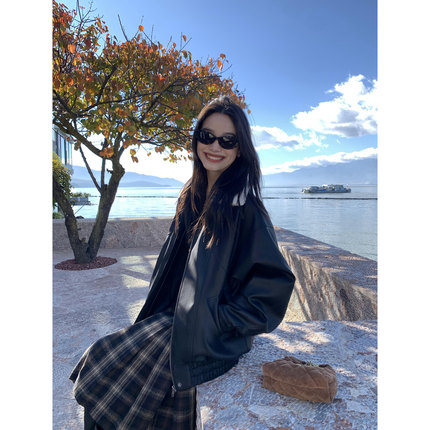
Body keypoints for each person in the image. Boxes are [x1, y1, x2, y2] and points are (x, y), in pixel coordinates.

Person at [69, 96, 296, 429]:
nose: (215, 146)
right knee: (100, 360)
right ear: (196, 139)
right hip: (174, 318)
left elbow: (271, 294)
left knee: (131, 389)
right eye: (207, 136)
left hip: (210, 334)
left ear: (240, 149)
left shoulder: (245, 210)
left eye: (228, 140)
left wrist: (214, 320)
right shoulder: (191, 196)